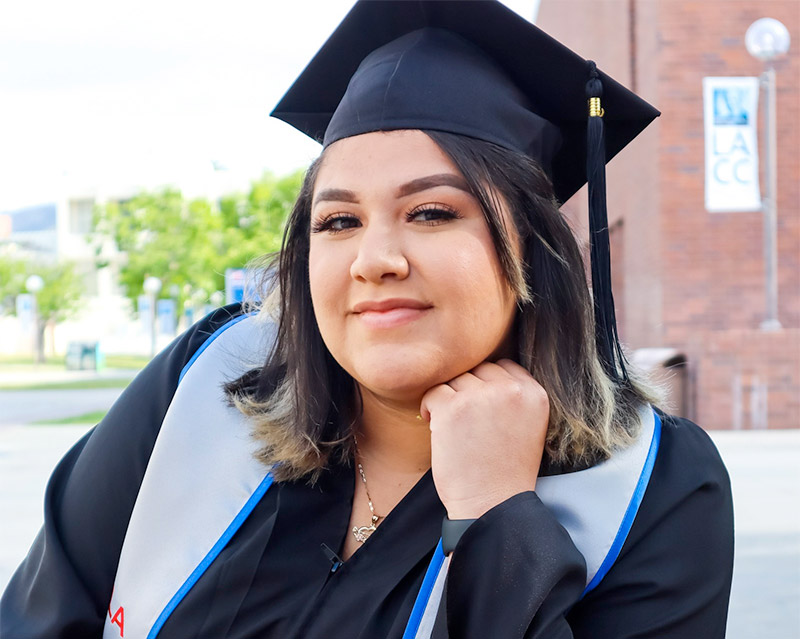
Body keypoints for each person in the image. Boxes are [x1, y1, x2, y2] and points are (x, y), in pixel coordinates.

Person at [0, 1, 734, 638]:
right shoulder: (202, 383)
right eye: (338, 219)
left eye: (432, 211)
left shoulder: (653, 486)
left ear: (534, 251)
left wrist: (495, 518)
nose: (373, 258)